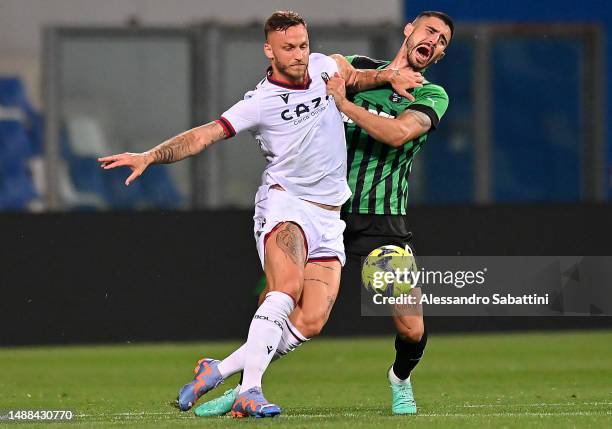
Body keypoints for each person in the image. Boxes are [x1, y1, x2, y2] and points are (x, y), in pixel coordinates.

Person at [98, 10, 423, 418]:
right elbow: (204, 135)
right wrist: (150, 155)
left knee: (312, 320)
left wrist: (388, 76)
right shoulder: (260, 103)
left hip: (329, 214)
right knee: (284, 290)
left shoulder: (325, 67)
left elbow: (357, 77)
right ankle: (249, 390)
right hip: (285, 202)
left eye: (303, 45)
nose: (299, 54)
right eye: (289, 47)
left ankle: (217, 370)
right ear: (269, 50)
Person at [195, 10, 453, 417]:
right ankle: (247, 386)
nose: (435, 42)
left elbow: (397, 133)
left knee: (411, 326)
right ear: (410, 30)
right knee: (283, 301)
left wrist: (344, 104)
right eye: (431, 32)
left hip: (381, 220)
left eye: (443, 42)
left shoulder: (431, 95)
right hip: (321, 208)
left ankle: (400, 378)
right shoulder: (359, 69)